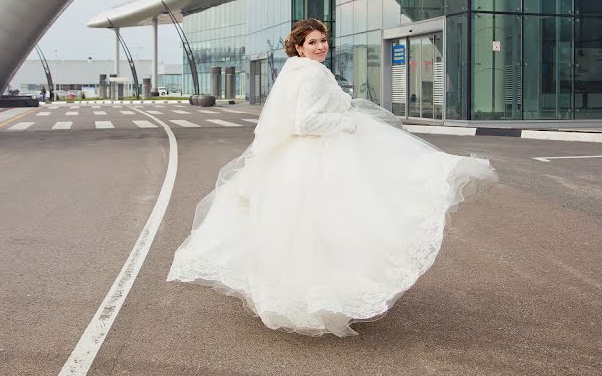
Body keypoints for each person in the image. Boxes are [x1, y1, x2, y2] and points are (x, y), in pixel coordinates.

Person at [167, 18, 497, 337]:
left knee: (306, 232)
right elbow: (306, 122)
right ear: (298, 47)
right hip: (317, 157)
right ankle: (321, 297)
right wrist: (346, 123)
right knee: (334, 226)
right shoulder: (311, 74)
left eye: (323, 40)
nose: (320, 46)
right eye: (312, 42)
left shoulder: (296, 71)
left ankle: (307, 296)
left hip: (297, 159)